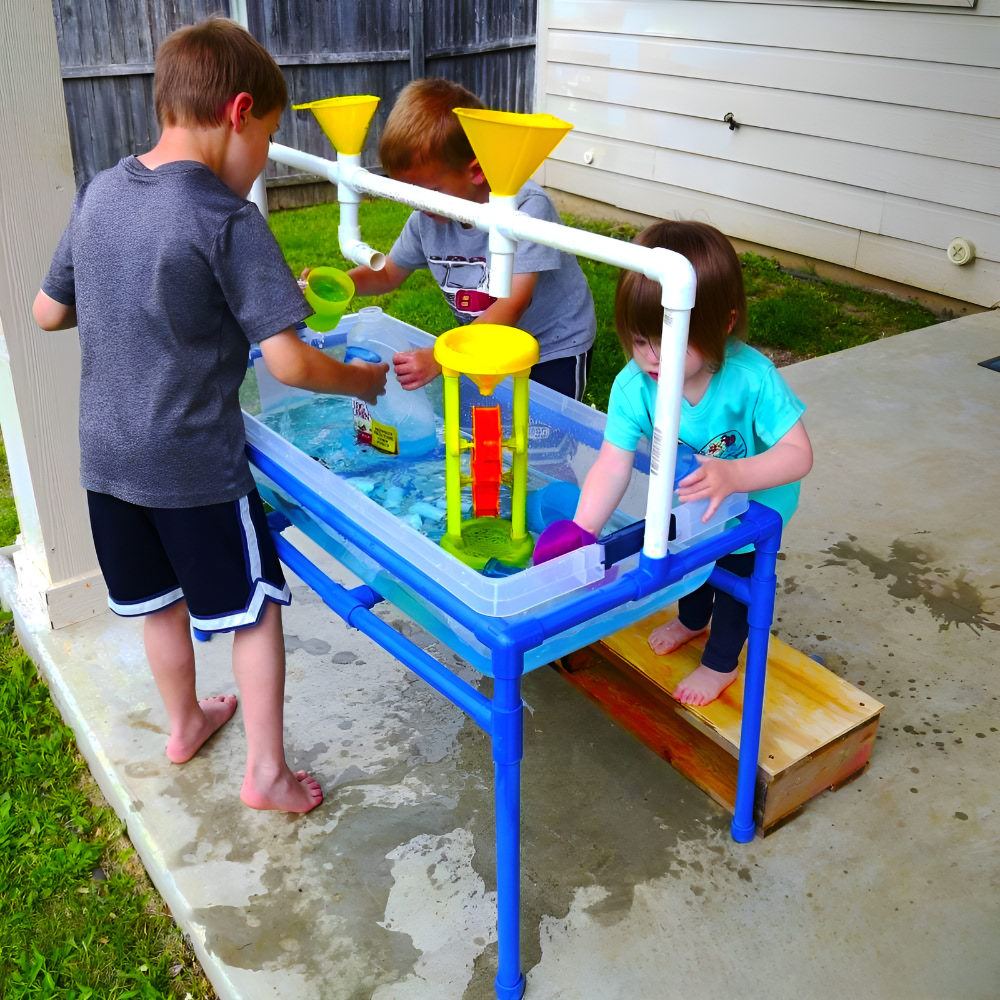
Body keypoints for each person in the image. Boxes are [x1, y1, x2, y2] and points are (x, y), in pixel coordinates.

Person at [31, 18, 387, 813]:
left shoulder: (99, 193)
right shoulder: (227, 219)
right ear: (237, 111)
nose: (261, 158)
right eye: (265, 137)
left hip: (108, 455)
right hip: (193, 462)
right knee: (253, 610)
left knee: (159, 602)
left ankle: (185, 723)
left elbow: (47, 312)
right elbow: (292, 360)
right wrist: (361, 380)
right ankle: (266, 773)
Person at [572, 221, 813, 706]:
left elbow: (798, 454)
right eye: (640, 341)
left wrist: (736, 475)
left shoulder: (751, 379)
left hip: (756, 500)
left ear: (722, 325)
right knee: (686, 558)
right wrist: (582, 533)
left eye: (673, 339)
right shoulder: (633, 386)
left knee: (736, 582)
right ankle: (690, 619)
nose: (653, 357)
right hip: (690, 493)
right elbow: (612, 465)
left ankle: (720, 662)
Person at [345, 77, 597, 401]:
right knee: (488, 428)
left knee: (546, 434)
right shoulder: (427, 218)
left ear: (475, 171)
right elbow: (390, 272)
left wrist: (441, 355)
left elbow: (513, 302)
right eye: (409, 192)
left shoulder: (526, 208)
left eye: (430, 192)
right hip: (481, 343)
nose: (417, 204)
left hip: (551, 345)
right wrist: (343, 284)